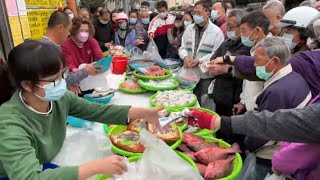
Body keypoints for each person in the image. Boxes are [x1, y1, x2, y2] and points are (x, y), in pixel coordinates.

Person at [0, 40, 162, 180]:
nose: (61, 83)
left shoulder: (59, 98)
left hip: (44, 164)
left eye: (62, 75)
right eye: (52, 80)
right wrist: (93, 167)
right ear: (27, 85)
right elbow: (29, 177)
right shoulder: (10, 123)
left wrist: (143, 113)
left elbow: (97, 111)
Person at [243, 37, 312, 178]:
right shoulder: (294, 77)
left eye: (257, 60)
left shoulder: (278, 92)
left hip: (270, 157)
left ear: (274, 61)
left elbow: (262, 131)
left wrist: (246, 144)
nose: (255, 65)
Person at [216, 6, 320, 97]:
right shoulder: (302, 56)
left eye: (288, 31)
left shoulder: (305, 60)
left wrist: (229, 59)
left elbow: (264, 64)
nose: (284, 35)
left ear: (305, 34)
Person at [39, 11, 100, 89]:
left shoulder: (53, 46)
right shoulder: (47, 50)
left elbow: (64, 77)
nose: (69, 34)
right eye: (68, 30)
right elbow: (62, 80)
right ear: (60, 28)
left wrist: (70, 82)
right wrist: (85, 71)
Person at [206, 8, 250, 117]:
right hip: (220, 94)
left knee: (232, 129)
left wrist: (225, 68)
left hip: (235, 98)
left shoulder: (248, 46)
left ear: (242, 27)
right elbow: (213, 59)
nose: (228, 29)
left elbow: (239, 65)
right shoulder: (226, 43)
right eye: (227, 26)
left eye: (230, 26)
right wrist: (218, 66)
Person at [179, 0, 224, 103]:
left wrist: (199, 60)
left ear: (207, 13)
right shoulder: (189, 29)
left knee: (204, 101)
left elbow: (216, 53)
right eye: (194, 13)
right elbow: (183, 47)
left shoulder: (216, 32)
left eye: (199, 13)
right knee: (187, 100)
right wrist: (185, 57)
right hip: (189, 74)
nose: (195, 16)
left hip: (206, 75)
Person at [232, 11, 269, 114]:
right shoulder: (254, 48)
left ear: (257, 31)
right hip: (250, 108)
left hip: (260, 111)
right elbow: (248, 81)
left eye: (243, 30)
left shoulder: (269, 51)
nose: (241, 34)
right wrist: (243, 102)